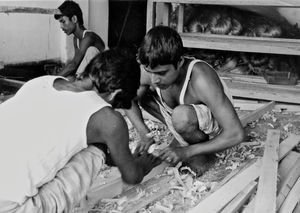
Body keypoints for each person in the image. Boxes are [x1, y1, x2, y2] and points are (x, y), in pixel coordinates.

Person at [0, 48, 160, 213]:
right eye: (118, 105)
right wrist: (142, 165)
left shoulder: (44, 82)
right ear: (115, 94)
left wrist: (122, 158)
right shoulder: (107, 119)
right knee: (97, 148)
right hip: (10, 208)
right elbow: (131, 177)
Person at [125, 26, 245, 175]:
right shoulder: (149, 71)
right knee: (141, 96)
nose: (155, 80)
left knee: (181, 116)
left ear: (180, 61)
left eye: (162, 73)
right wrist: (145, 134)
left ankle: (202, 155)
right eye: (151, 72)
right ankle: (182, 135)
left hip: (214, 127)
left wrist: (186, 152)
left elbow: (236, 134)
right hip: (180, 116)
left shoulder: (200, 78)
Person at [54, 1, 105, 80]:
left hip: (105, 75)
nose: (61, 26)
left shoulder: (89, 37)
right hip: (93, 75)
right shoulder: (76, 39)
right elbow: (76, 62)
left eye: (63, 21)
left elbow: (74, 65)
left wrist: (51, 79)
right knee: (69, 78)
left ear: (74, 19)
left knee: (91, 51)